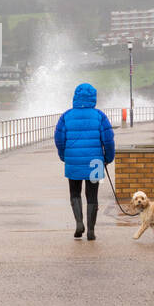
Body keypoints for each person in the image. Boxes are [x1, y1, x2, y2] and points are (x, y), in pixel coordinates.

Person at [53, 83, 116, 241]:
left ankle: (79, 223)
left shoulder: (66, 116)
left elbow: (59, 139)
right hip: (95, 162)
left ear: (75, 97)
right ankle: (91, 230)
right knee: (92, 195)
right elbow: (108, 140)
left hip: (73, 161)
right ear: (93, 98)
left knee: (75, 193)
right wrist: (107, 158)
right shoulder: (100, 116)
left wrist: (64, 156)